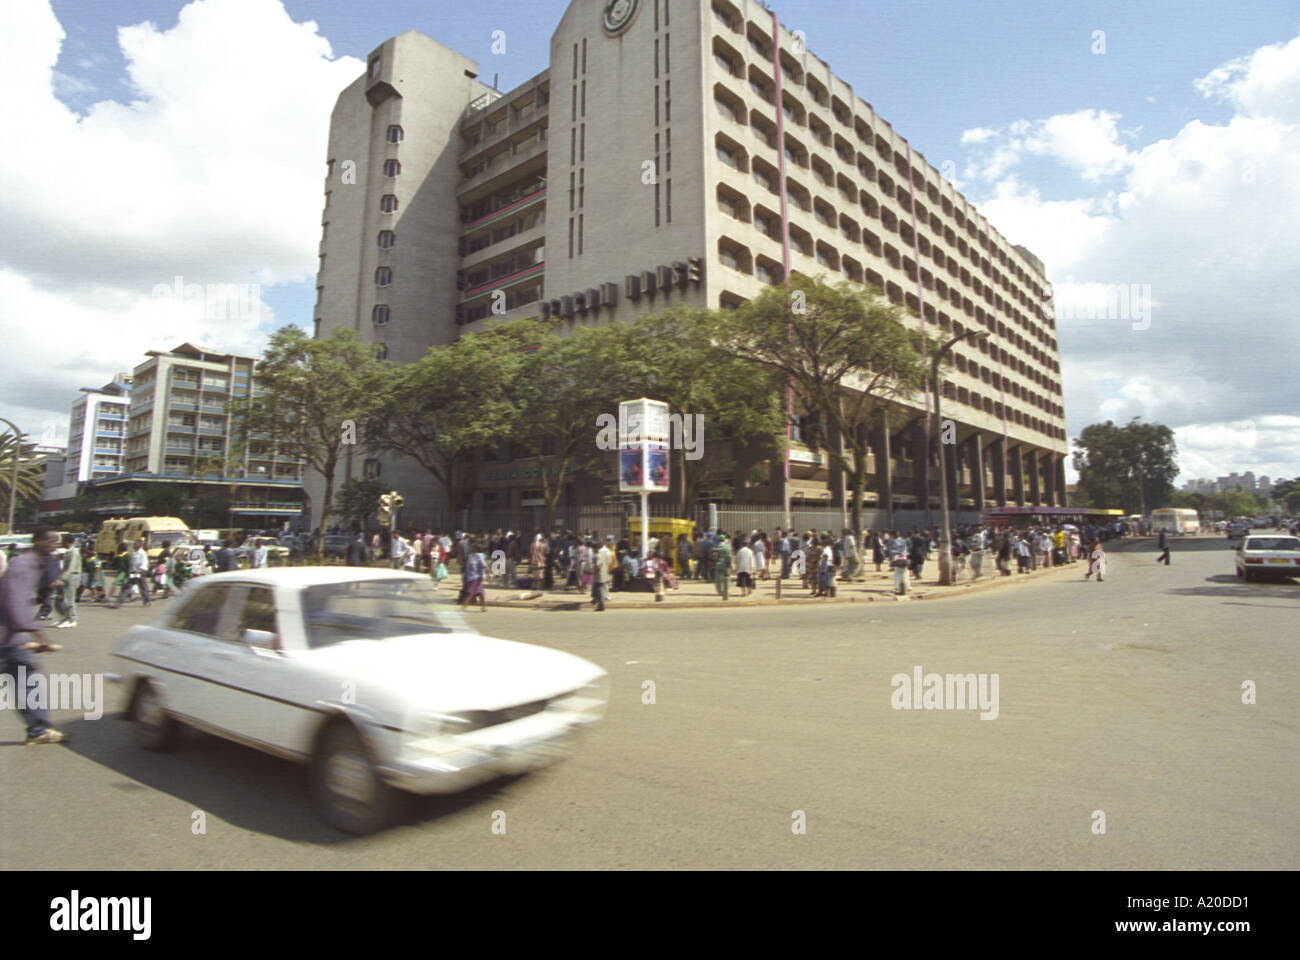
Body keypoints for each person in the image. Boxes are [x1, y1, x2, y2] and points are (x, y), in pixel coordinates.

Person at [0, 529, 67, 744]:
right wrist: (38, 635)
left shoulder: (36, 564)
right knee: (27, 680)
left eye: (56, 540)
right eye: (50, 540)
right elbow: (15, 602)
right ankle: (38, 729)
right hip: (7, 639)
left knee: (27, 681)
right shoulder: (22, 565)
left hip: (12, 639)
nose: (54, 544)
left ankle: (38, 730)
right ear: (37, 541)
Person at [111, 539, 152, 608]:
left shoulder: (142, 553)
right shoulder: (133, 553)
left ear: (139, 545)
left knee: (142, 588)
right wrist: (131, 570)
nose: (134, 545)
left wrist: (140, 570)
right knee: (126, 587)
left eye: (135, 544)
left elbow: (144, 563)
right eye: (134, 544)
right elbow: (132, 563)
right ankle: (118, 603)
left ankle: (147, 602)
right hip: (133, 572)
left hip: (140, 572)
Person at [53, 534, 82, 629]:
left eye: (62, 541)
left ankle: (72, 619)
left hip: (71, 576)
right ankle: (64, 617)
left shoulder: (74, 552)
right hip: (67, 576)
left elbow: (70, 568)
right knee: (59, 599)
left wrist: (61, 579)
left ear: (66, 542)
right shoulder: (69, 552)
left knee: (68, 599)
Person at [460, 540, 487, 612]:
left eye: (472, 547)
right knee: (480, 592)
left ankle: (463, 607)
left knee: (470, 592)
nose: (470, 548)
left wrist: (489, 575)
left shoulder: (479, 556)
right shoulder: (471, 556)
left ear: (475, 549)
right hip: (471, 577)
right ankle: (483, 607)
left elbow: (484, 566)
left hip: (476, 578)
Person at [593, 536, 612, 611]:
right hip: (604, 573)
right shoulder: (604, 553)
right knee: (600, 589)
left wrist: (592, 569)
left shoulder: (598, 555)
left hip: (599, 575)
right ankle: (597, 601)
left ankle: (601, 605)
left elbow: (598, 564)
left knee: (599, 591)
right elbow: (608, 561)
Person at [712, 533, 732, 600]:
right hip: (726, 564)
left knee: (718, 579)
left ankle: (719, 591)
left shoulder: (716, 547)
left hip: (718, 564)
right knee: (727, 577)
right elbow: (729, 556)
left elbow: (714, 556)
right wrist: (729, 564)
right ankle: (727, 590)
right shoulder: (727, 547)